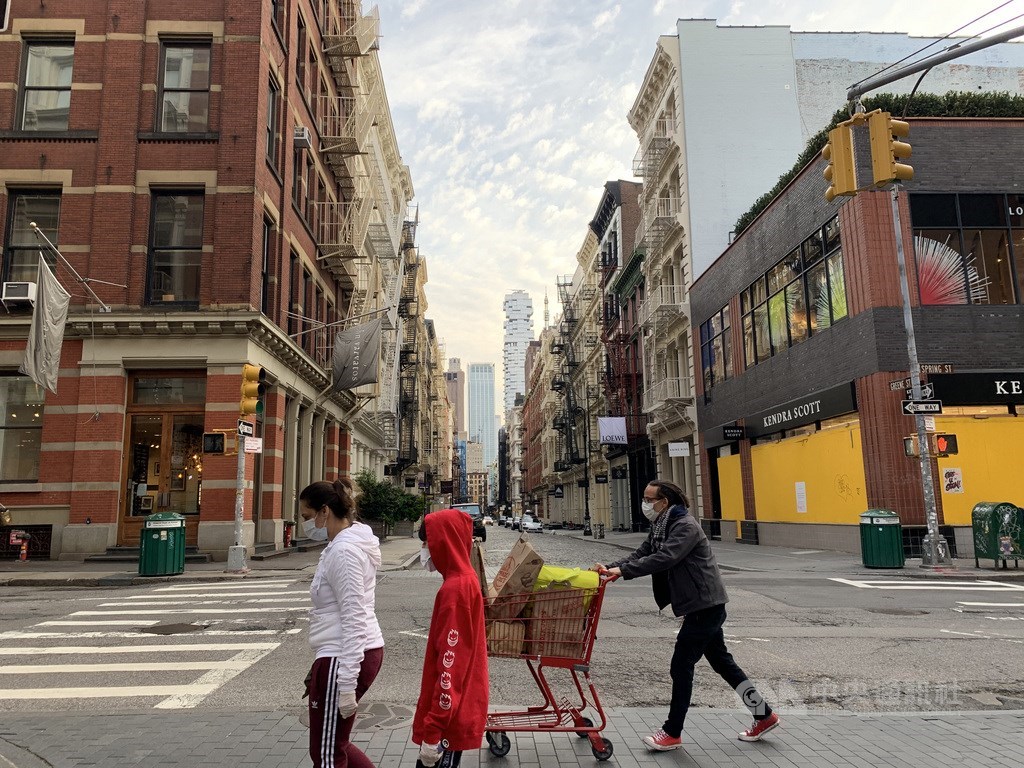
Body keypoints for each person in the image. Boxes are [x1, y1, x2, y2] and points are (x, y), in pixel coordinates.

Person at [596, 479, 780, 751]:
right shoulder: (662, 524)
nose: (645, 504)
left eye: (649, 499)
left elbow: (666, 557)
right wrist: (611, 567)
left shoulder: (684, 526)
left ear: (664, 501)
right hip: (702, 604)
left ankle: (672, 732)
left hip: (704, 605)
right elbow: (645, 551)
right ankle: (763, 715)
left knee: (681, 665)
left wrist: (623, 572)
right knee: (722, 662)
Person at [302, 479, 384, 768]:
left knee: (326, 754)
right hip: (341, 654)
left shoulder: (344, 552)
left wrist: (346, 683)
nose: (305, 524)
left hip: (342, 657)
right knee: (336, 744)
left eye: (306, 516)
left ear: (324, 512)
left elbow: (354, 616)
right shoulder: (340, 546)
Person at [411, 509, 489, 768]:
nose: (425, 549)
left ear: (442, 542)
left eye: (427, 542)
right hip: (455, 711)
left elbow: (450, 666)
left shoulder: (454, 591)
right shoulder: (464, 580)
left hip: (447, 720)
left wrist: (433, 729)